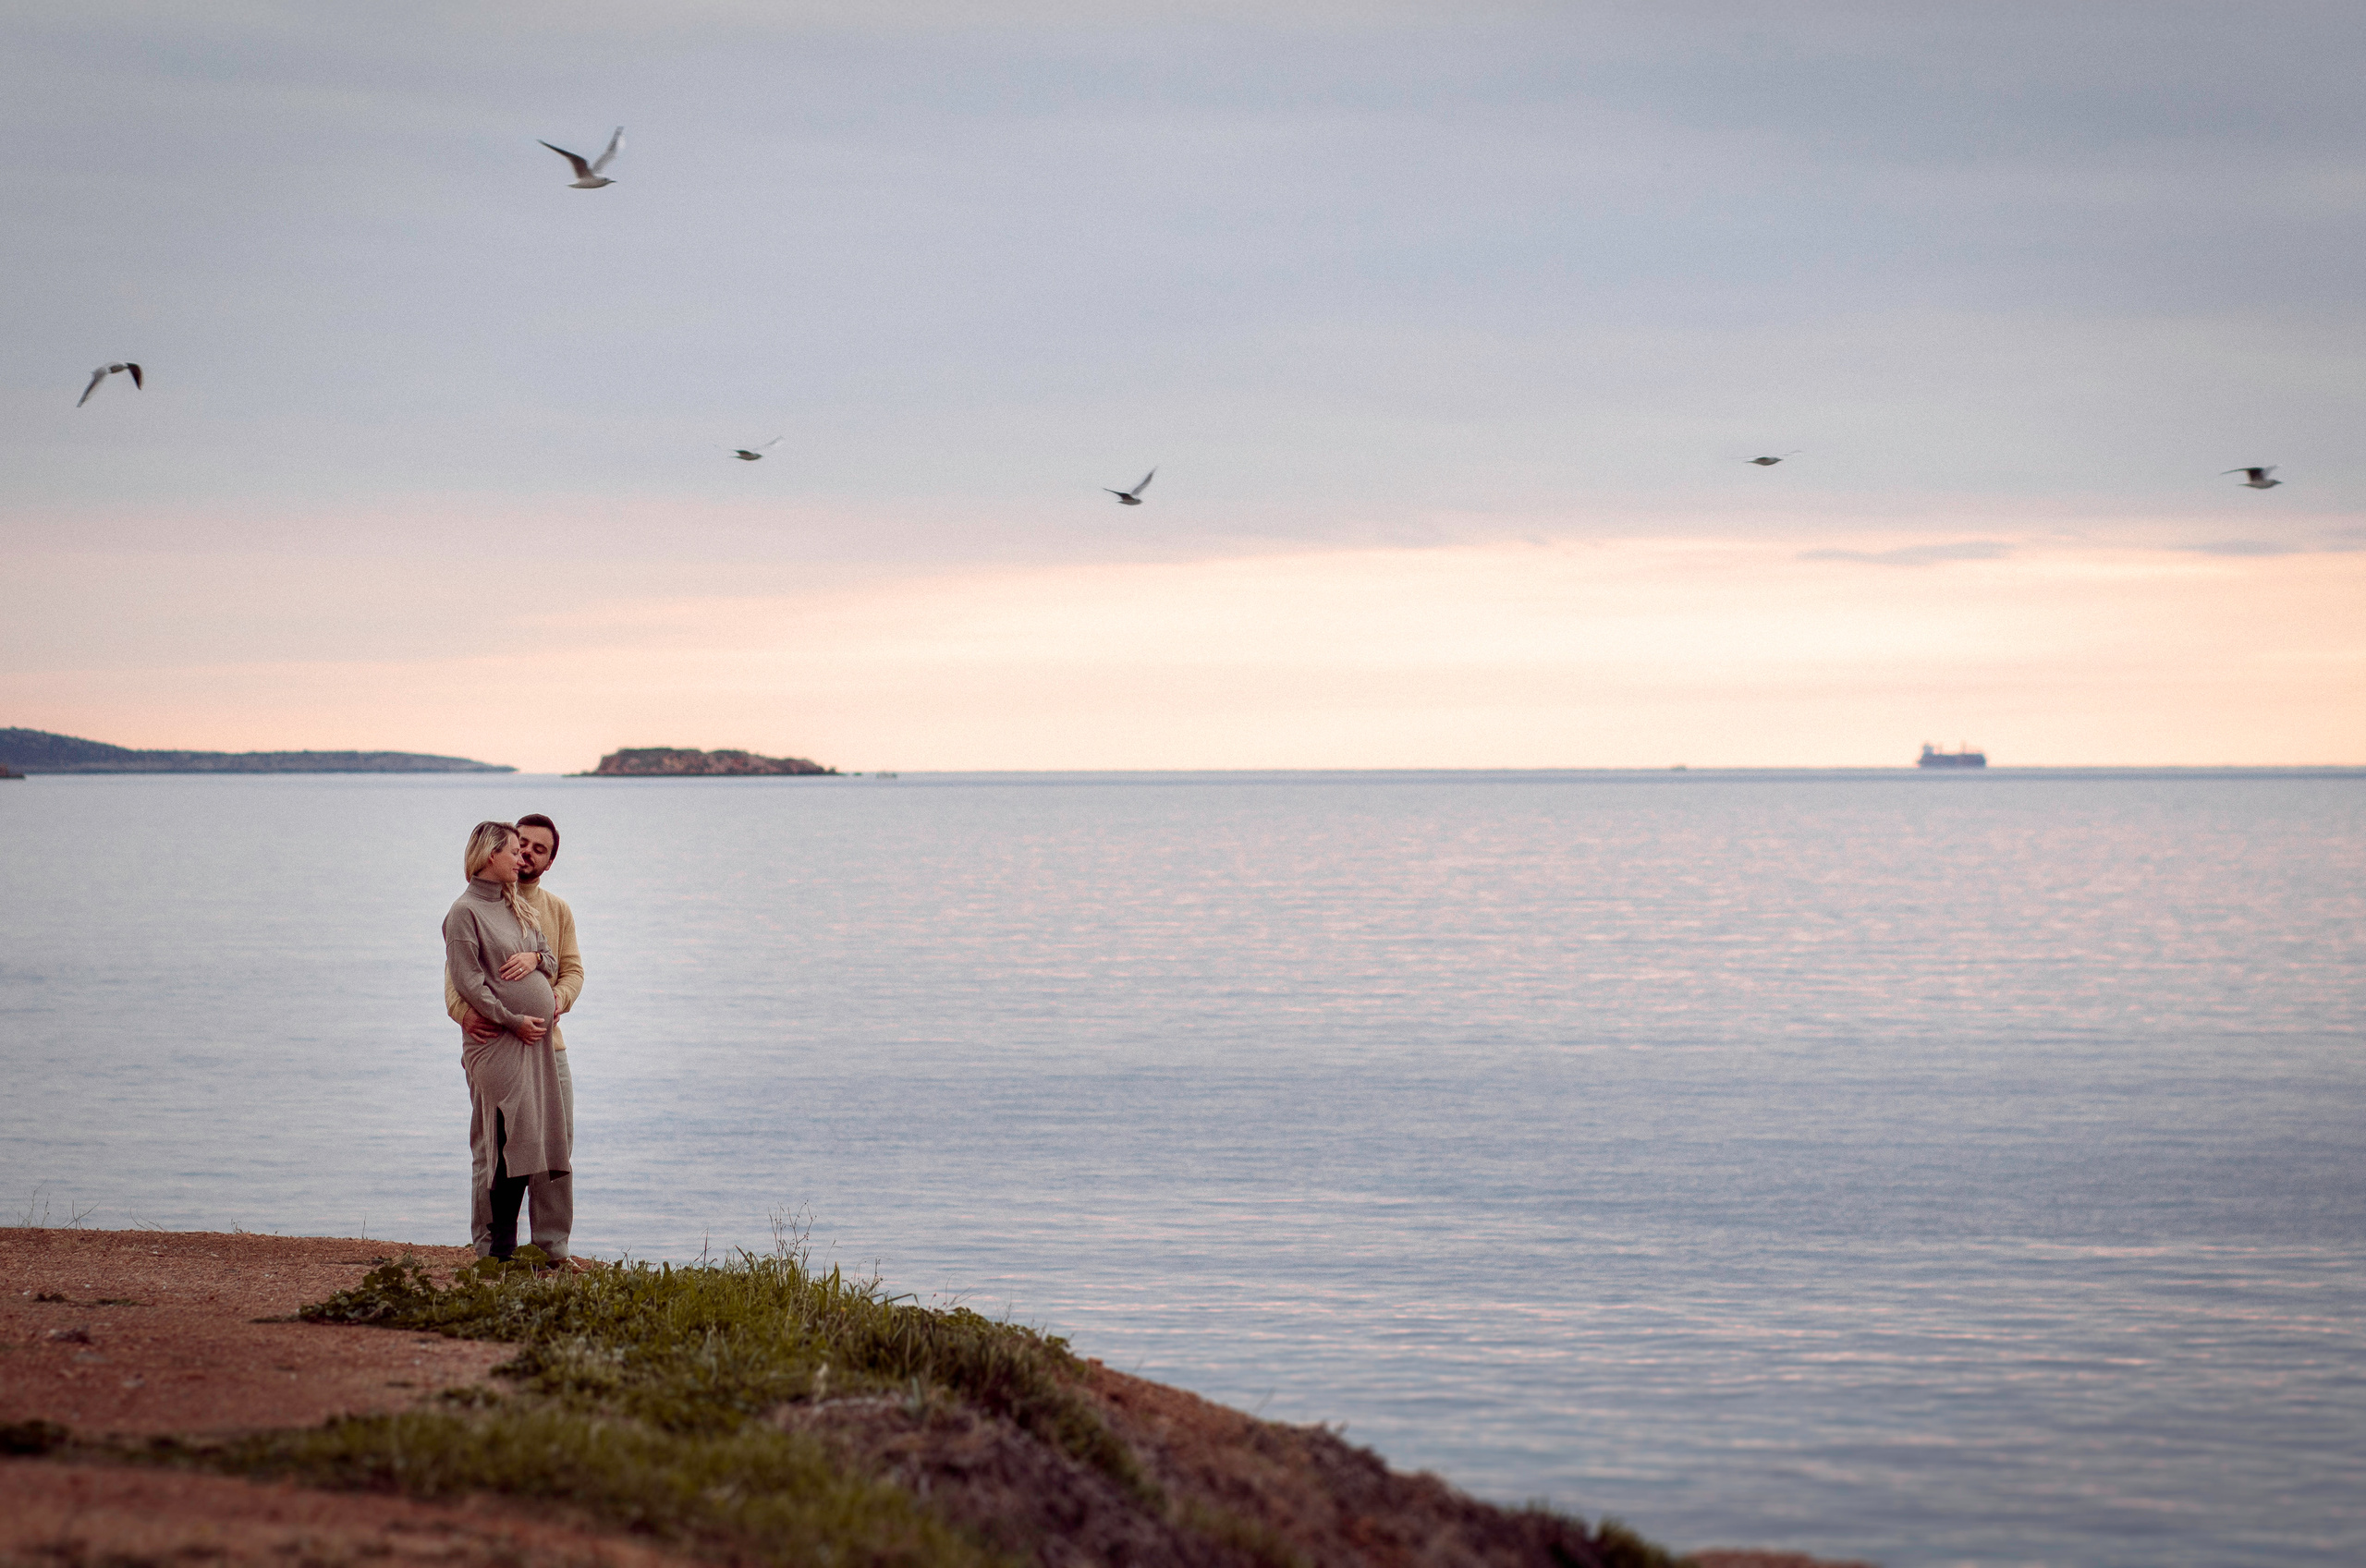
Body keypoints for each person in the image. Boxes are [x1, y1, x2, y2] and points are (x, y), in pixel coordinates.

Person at [445, 813, 583, 1261]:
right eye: (520, 843)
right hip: (498, 1042)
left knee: (555, 1141)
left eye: (538, 849)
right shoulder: (476, 907)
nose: (526, 853)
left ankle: (552, 1248)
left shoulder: (552, 909)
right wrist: (468, 1015)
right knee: (493, 1146)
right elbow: (459, 979)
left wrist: (556, 998)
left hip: (548, 1045)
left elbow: (570, 969)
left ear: (549, 861)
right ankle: (491, 1248)